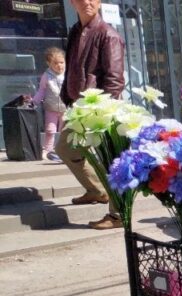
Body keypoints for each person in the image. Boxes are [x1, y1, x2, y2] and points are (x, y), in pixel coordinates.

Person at [55, 0, 125, 231]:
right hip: (78, 108)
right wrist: (68, 97)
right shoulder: (76, 31)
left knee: (110, 161)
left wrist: (102, 112)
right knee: (65, 148)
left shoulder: (108, 34)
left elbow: (115, 80)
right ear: (73, 3)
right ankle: (96, 190)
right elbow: (73, 68)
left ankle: (117, 215)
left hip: (100, 110)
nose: (87, 2)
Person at [30, 47, 66, 162]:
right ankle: (48, 150)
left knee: (64, 130)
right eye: (55, 63)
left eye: (62, 62)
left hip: (66, 108)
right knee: (50, 130)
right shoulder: (46, 76)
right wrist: (34, 101)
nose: (59, 65)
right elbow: (42, 90)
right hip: (51, 107)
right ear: (48, 63)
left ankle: (62, 150)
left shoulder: (68, 74)